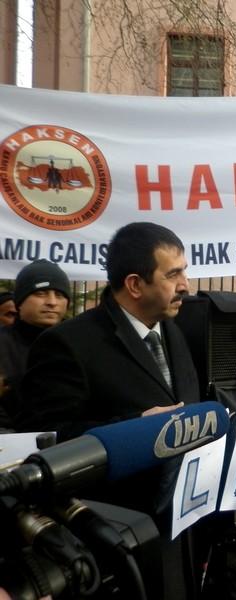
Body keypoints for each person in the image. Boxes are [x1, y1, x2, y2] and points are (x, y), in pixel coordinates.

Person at [17, 222, 200, 600]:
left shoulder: (173, 331)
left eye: (184, 271)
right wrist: (135, 431)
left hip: (178, 530)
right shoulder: (67, 344)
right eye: (173, 274)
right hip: (114, 545)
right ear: (135, 285)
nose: (186, 285)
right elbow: (47, 440)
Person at [0, 260, 70, 428]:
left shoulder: (80, 343)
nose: (52, 302)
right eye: (41, 293)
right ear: (19, 302)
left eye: (59, 295)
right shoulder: (3, 344)